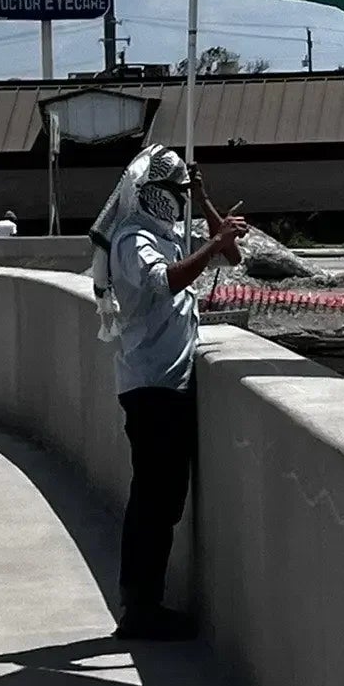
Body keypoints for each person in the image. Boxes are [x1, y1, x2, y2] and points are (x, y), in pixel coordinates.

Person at [89, 146, 246, 641]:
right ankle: (141, 605)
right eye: (176, 194)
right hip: (150, 384)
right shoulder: (135, 240)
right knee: (153, 500)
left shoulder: (162, 235)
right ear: (154, 195)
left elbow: (232, 254)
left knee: (164, 496)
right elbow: (166, 281)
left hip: (168, 383)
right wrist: (214, 240)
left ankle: (145, 601)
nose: (180, 203)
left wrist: (204, 201)